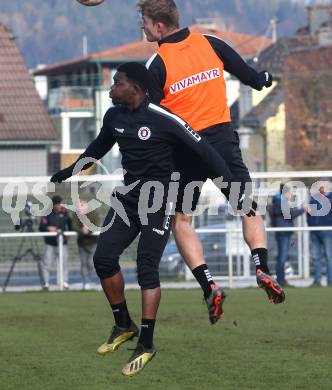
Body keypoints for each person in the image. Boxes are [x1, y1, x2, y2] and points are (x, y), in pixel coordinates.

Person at [50, 62, 233, 376]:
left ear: (134, 87)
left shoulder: (164, 119)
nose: (111, 87)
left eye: (116, 82)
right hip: (128, 198)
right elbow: (97, 147)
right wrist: (69, 171)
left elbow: (207, 153)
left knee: (147, 268)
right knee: (103, 259)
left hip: (159, 200)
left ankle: (147, 343)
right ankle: (123, 324)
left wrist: (234, 189)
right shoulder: (114, 116)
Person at [137, 0, 285, 304]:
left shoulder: (157, 64)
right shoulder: (211, 43)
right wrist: (266, 79)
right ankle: (262, 267)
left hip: (186, 150)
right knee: (248, 208)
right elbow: (252, 78)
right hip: (222, 143)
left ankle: (209, 286)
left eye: (145, 21)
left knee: (182, 220)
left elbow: (150, 117)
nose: (143, 26)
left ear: (159, 27)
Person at [269, 184, 305, 287]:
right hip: (283, 233)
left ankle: (281, 279)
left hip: (284, 232)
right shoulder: (279, 202)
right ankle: (280, 280)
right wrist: (303, 210)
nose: (290, 194)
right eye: (289, 192)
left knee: (283, 256)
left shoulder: (279, 201)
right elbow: (290, 214)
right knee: (282, 257)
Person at [39, 195, 72, 290]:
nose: (59, 206)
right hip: (50, 243)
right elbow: (41, 227)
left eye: (60, 204)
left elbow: (70, 225)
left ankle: (64, 282)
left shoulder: (65, 213)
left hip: (62, 243)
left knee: (64, 263)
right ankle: (46, 283)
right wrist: (48, 228)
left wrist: (68, 234)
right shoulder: (47, 213)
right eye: (57, 204)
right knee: (47, 263)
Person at [307, 181, 332, 287]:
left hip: (327, 231)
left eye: (323, 187)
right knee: (316, 257)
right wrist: (311, 227)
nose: (322, 189)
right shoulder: (313, 199)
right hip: (315, 232)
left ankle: (330, 281)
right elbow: (309, 215)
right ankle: (317, 281)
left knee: (329, 256)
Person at [72, 199, 99, 290]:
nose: (79, 208)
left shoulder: (93, 213)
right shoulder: (76, 214)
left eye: (81, 205)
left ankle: (90, 278)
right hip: (81, 242)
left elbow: (96, 224)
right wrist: (81, 230)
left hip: (92, 242)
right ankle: (86, 282)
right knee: (83, 263)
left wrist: (88, 228)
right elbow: (74, 225)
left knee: (91, 263)